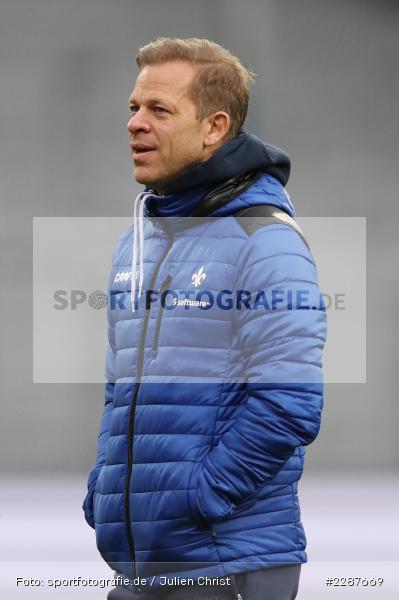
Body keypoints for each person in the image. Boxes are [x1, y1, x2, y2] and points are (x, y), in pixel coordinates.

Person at [82, 37, 327, 600]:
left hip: (224, 562)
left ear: (215, 127)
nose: (135, 124)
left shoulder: (264, 240)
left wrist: (200, 496)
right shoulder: (139, 241)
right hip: (146, 562)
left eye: (159, 110)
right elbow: (123, 391)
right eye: (134, 108)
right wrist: (108, 488)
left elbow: (289, 402)